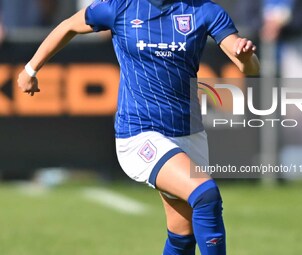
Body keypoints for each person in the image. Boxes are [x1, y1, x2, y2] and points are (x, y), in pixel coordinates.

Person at [17, 0, 260, 254]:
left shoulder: (204, 10)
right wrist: (30, 69)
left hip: (188, 132)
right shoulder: (121, 7)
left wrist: (246, 57)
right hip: (139, 134)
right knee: (206, 195)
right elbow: (68, 26)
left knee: (182, 236)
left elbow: (249, 66)